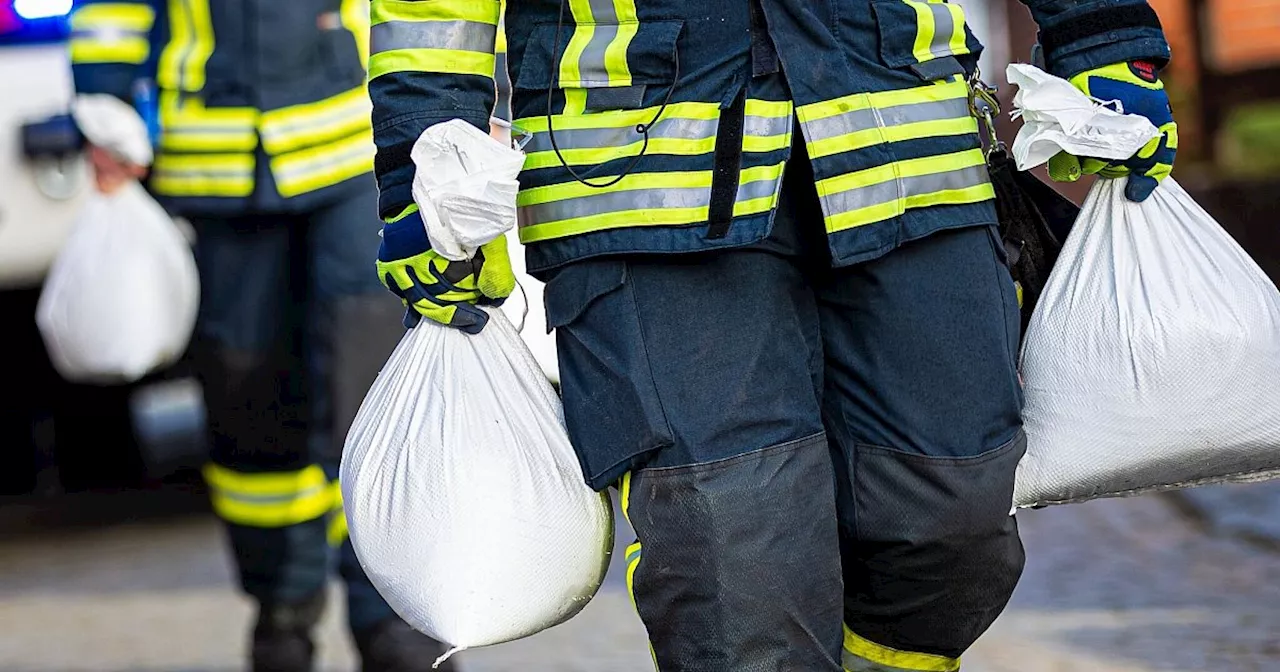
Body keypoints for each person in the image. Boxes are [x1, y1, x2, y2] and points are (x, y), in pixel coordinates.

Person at [369, 0, 1176, 669]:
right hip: (641, 189)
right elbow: (431, 12)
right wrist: (422, 165)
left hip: (906, 149)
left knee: (951, 521)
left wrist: (1100, 33)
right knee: (732, 555)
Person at [67, 1, 454, 669]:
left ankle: (399, 625)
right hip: (216, 172)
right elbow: (110, 10)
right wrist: (104, 107)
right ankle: (281, 615)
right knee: (252, 418)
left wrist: (458, 100)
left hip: (349, 156)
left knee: (371, 401)